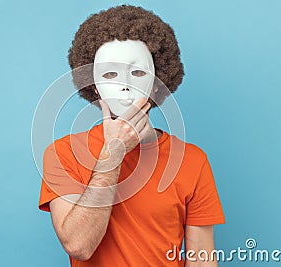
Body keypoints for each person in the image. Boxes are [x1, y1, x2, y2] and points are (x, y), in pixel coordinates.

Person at [38, 5, 225, 266]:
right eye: (111, 73)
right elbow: (78, 246)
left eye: (137, 72)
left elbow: (202, 260)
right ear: (93, 84)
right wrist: (114, 151)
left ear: (158, 79)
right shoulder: (62, 153)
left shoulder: (193, 161)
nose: (125, 86)